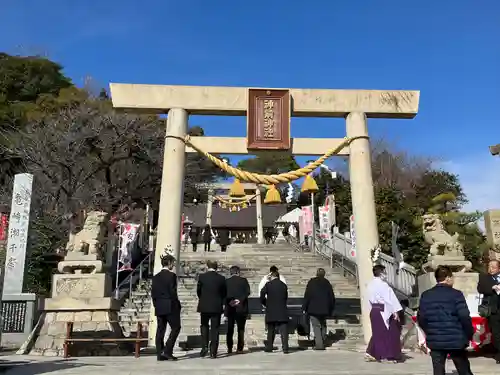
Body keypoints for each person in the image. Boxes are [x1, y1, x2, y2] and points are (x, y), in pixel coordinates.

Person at [418, 266, 474, 375]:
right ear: (448, 278)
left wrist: (429, 332)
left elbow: (422, 318)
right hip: (456, 338)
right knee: (463, 369)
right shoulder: (456, 294)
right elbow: (464, 317)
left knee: (438, 370)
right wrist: (468, 334)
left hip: (435, 338)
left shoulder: (426, 295)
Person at [365, 264, 403, 363]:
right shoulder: (383, 285)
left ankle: (372, 352)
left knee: (377, 333)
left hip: (374, 310)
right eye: (385, 272)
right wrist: (394, 311)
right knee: (388, 333)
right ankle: (387, 355)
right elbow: (388, 300)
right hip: (384, 310)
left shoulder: (370, 284)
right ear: (381, 273)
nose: (386, 274)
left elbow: (368, 300)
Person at [151, 254, 181, 361]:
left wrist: (156, 304)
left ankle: (159, 353)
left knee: (160, 329)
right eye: (172, 263)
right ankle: (168, 350)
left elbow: (153, 293)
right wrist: (177, 305)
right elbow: (173, 292)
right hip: (170, 305)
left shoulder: (155, 277)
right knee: (176, 327)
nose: (173, 265)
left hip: (159, 305)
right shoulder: (172, 276)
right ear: (168, 263)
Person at [197, 259, 227, 358]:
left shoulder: (202, 277)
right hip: (216, 306)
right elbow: (224, 293)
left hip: (204, 306)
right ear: (216, 267)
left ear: (207, 266)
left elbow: (199, 291)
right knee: (215, 328)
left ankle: (204, 346)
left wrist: (203, 299)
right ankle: (213, 351)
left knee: (204, 326)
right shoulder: (221, 278)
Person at [302, 268, 336, 350]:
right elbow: (332, 297)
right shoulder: (327, 283)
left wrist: (304, 307)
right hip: (325, 309)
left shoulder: (312, 282)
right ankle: (323, 341)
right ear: (324, 275)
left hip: (313, 308)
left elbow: (307, 296)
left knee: (316, 326)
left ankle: (319, 344)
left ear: (317, 274)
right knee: (323, 325)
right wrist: (331, 308)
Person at [260, 269, 289, 354]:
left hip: (271, 310)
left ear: (272, 276)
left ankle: (269, 347)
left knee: (271, 330)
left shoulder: (268, 284)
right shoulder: (283, 285)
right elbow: (286, 297)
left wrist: (265, 303)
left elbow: (262, 294)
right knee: (284, 330)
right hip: (282, 310)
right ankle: (285, 348)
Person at [477, 259, 500, 364]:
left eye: (494, 267)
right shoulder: (484, 277)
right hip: (493, 309)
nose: (491, 269)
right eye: (490, 267)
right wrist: (492, 287)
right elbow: (480, 289)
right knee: (495, 333)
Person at [225, 265, 251, 354]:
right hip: (241, 308)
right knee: (241, 329)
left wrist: (230, 302)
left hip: (230, 307)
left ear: (231, 272)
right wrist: (239, 300)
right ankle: (240, 348)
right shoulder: (243, 281)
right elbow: (248, 292)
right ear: (238, 272)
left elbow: (223, 294)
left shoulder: (226, 281)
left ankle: (229, 347)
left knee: (230, 329)